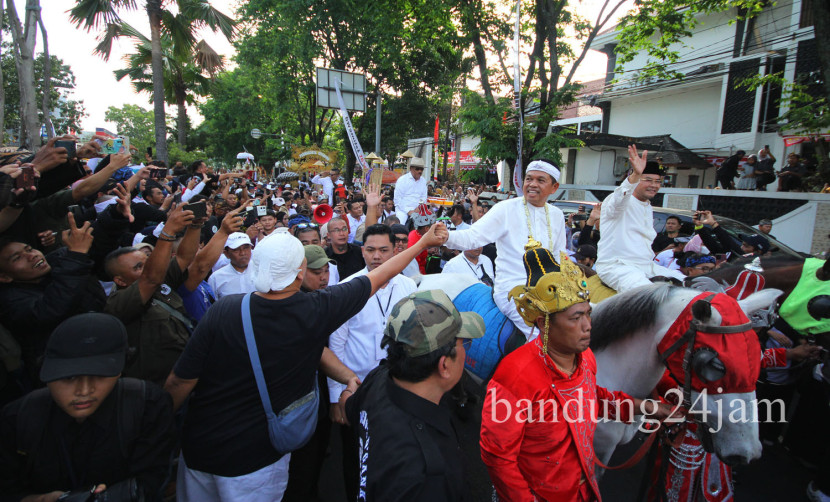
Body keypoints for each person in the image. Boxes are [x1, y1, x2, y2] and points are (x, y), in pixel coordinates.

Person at [164, 223, 448, 502]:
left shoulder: (224, 309)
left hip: (199, 451)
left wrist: (159, 433)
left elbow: (180, 381)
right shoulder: (316, 310)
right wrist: (422, 244)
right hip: (257, 464)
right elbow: (379, 276)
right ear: (300, 273)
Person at [480, 246, 677, 501]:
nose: (587, 327)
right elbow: (498, 456)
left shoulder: (585, 358)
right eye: (575, 318)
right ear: (543, 323)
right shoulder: (515, 375)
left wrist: (651, 408)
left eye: (588, 314)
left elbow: (593, 398)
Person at [0, 313, 175, 501]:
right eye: (69, 378)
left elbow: (151, 481)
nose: (84, 390)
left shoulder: (147, 406)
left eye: (100, 375)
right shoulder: (18, 419)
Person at [342, 290, 485, 501]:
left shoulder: (379, 378)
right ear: (444, 365)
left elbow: (348, 408)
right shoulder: (429, 473)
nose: (466, 350)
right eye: (464, 343)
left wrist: (347, 390)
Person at [328, 224, 418, 500]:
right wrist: (336, 396)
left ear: (396, 250)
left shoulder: (408, 286)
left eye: (383, 250)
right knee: (355, 457)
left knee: (395, 451)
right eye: (370, 250)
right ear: (362, 251)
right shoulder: (347, 288)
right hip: (358, 386)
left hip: (398, 385)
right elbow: (337, 344)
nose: (376, 257)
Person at [438, 159, 568, 340]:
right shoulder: (506, 209)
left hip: (547, 289)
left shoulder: (556, 215)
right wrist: (447, 237)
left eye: (540, 180)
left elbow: (559, 257)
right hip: (512, 289)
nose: (532, 184)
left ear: (554, 187)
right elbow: (474, 236)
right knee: (543, 334)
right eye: (529, 179)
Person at [104, 204, 197, 385]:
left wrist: (195, 226)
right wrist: (168, 231)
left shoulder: (161, 279)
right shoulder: (118, 303)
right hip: (154, 386)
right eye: (139, 267)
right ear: (120, 281)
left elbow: (184, 257)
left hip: (185, 375)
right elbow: (150, 279)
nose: (148, 267)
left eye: (148, 261)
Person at [595, 145, 686, 292]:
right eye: (648, 180)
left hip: (647, 266)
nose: (654, 185)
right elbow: (619, 199)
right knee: (648, 293)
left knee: (688, 283)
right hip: (617, 266)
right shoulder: (618, 200)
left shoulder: (647, 206)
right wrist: (636, 174)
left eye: (657, 181)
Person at [207, 232, 255, 299]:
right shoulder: (216, 278)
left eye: (246, 248)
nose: (243, 253)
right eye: (236, 250)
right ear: (226, 253)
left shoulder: (261, 271)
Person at [394, 158, 428, 223]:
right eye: (417, 169)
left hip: (418, 210)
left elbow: (423, 197)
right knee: (401, 224)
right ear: (411, 168)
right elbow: (397, 199)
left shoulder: (423, 181)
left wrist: (418, 208)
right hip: (402, 211)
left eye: (421, 169)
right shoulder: (402, 180)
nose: (420, 171)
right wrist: (408, 211)